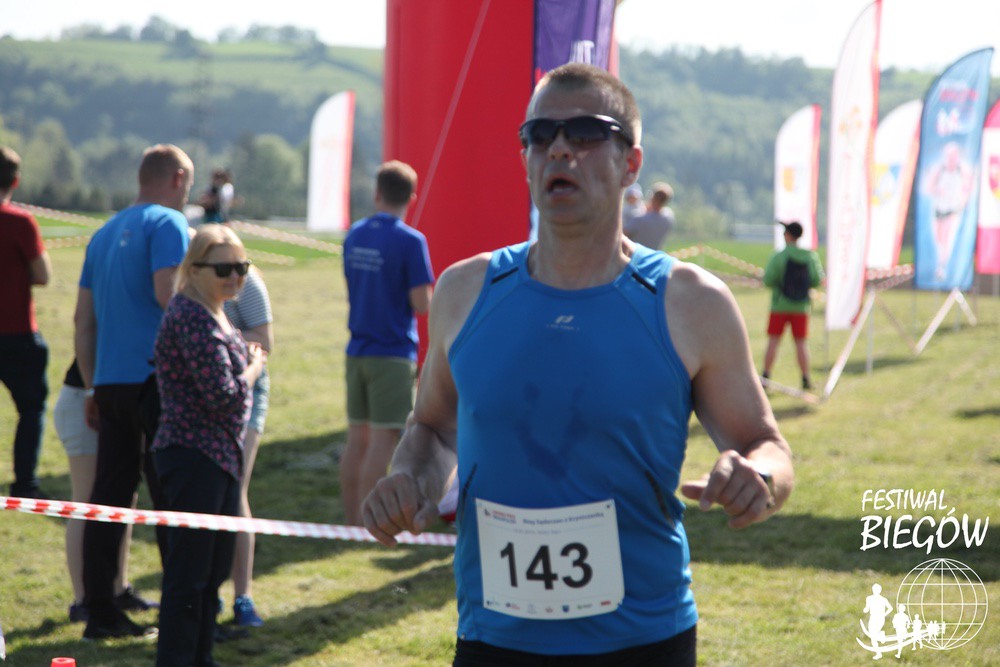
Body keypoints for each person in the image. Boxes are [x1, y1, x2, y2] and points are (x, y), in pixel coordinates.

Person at [362, 63, 793, 665]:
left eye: (587, 133)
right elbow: (432, 428)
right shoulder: (464, 291)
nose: (559, 149)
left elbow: (766, 444)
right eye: (540, 135)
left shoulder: (692, 302)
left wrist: (760, 479)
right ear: (526, 158)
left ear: (630, 163)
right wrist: (410, 479)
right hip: (494, 640)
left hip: (644, 640)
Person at [74, 143, 193, 640]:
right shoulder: (169, 223)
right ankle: (182, 614)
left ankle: (100, 610)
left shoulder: (102, 233)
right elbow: (170, 295)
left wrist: (91, 387)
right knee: (172, 497)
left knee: (108, 498)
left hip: (110, 383)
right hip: (156, 381)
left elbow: (83, 321)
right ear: (178, 178)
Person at [152, 224, 265, 667]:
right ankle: (178, 659)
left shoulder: (213, 310)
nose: (235, 277)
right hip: (193, 456)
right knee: (189, 574)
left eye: (242, 267)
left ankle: (201, 657)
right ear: (195, 269)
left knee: (212, 570)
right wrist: (254, 367)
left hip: (219, 456)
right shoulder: (190, 315)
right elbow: (224, 396)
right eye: (224, 269)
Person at [340, 160, 434, 526]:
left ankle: (351, 522)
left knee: (357, 440)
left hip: (357, 350)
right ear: (412, 197)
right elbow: (421, 303)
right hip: (392, 354)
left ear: (377, 193)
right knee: (382, 441)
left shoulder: (355, 234)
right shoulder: (412, 241)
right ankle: (370, 524)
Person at [54, 358, 156, 623]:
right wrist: (91, 391)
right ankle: (83, 601)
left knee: (121, 501)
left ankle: (117, 590)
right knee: (88, 503)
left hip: (110, 402)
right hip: (86, 403)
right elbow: (83, 336)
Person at [222, 265, 274, 627]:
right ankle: (205, 596)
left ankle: (242, 597)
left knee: (235, 491)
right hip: (200, 397)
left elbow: (264, 340)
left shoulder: (246, 279)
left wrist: (215, 339)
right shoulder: (184, 276)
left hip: (245, 395)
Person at [0, 146, 51, 500]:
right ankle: (24, 485)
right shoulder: (20, 222)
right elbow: (43, 274)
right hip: (16, 331)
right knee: (31, 409)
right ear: (15, 181)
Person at [761, 221, 823, 391]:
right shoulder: (811, 256)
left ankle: (765, 376)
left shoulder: (778, 256)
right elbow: (817, 279)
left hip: (779, 306)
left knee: (773, 341)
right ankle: (805, 378)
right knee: (801, 343)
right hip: (801, 307)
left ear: (787, 235)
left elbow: (768, 280)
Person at [924, 141, 974, 280]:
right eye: (949, 155)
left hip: (953, 209)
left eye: (954, 155)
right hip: (940, 208)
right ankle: (941, 264)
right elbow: (929, 187)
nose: (951, 158)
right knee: (939, 239)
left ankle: (943, 267)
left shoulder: (962, 171)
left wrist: (963, 199)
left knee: (947, 236)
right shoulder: (939, 170)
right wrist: (937, 190)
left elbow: (969, 187)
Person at [623, 180, 675, 250]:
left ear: (652, 198)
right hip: (655, 253)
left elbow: (623, 235)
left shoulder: (639, 219)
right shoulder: (669, 217)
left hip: (636, 254)